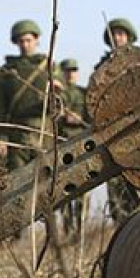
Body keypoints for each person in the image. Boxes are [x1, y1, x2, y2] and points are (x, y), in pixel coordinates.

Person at [0, 19, 61, 171]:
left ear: (37, 40)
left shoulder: (49, 66)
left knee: (45, 178)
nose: (25, 45)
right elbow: (0, 107)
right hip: (17, 131)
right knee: (18, 178)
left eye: (28, 40)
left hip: (44, 130)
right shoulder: (8, 70)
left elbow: (63, 100)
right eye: (21, 41)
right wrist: (2, 138)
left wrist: (57, 92)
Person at [97, 18, 140, 223]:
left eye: (121, 34)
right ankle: (120, 226)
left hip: (138, 129)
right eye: (114, 34)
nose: (117, 38)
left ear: (129, 37)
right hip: (112, 131)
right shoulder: (102, 68)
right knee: (115, 182)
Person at [59, 58, 90, 239]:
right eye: (67, 70)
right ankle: (66, 229)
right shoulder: (58, 94)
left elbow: (91, 120)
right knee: (63, 191)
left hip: (80, 146)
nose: (70, 73)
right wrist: (63, 116)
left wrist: (79, 120)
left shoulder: (83, 94)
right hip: (62, 146)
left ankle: (79, 230)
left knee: (81, 189)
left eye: (73, 70)